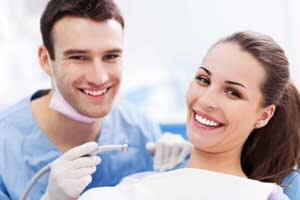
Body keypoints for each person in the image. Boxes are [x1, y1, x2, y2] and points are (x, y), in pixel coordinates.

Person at [0, 0, 192, 200]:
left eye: (111, 56)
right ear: (45, 60)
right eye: (79, 57)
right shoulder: (5, 144)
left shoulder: (140, 130)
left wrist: (181, 171)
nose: (99, 78)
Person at [79, 31, 300, 200]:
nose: (205, 101)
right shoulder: (121, 192)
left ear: (263, 116)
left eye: (233, 92)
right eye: (203, 80)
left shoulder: (262, 196)